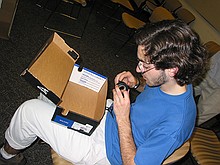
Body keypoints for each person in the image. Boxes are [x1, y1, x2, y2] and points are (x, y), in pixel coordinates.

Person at [0, 19, 207, 165]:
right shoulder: (177, 82)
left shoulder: (176, 124)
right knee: (56, 89)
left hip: (104, 151)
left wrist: (123, 118)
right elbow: (155, 96)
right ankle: (44, 131)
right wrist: (137, 84)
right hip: (110, 118)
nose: (138, 69)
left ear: (172, 69)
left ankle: (7, 156)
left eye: (144, 65)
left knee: (29, 110)